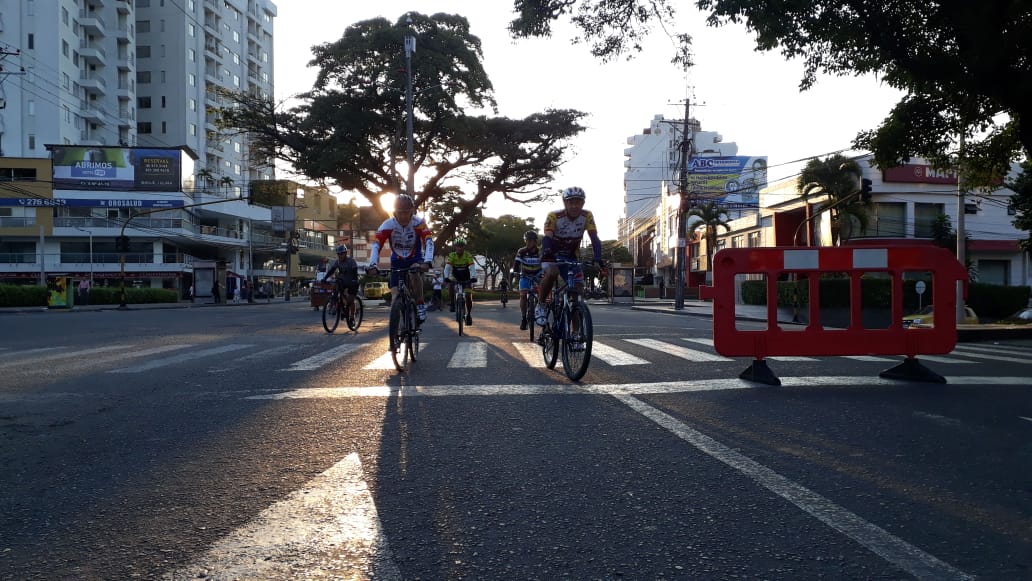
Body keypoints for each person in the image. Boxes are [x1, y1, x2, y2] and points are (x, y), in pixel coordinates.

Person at [534, 187, 605, 334]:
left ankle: (576, 334)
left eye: (578, 202)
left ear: (583, 203)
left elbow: (594, 238)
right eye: (571, 202)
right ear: (565, 203)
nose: (574, 206)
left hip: (571, 256)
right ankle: (541, 304)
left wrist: (598, 258)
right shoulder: (554, 216)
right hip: (551, 253)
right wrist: (547, 252)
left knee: (577, 293)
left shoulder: (587, 216)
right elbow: (547, 237)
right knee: (552, 272)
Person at [367, 194, 434, 322]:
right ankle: (396, 328)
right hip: (397, 260)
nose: (403, 216)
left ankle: (420, 304)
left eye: (406, 212)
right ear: (394, 212)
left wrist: (428, 261)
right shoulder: (387, 225)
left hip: (414, 257)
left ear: (412, 211)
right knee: (395, 295)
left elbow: (429, 241)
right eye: (400, 213)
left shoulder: (419, 223)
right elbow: (376, 245)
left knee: (415, 273)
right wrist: (373, 264)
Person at [514, 230, 542, 330]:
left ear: (535, 241)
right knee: (522, 295)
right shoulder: (521, 251)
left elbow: (545, 263)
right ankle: (524, 318)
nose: (528, 242)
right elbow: (516, 263)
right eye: (527, 240)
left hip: (538, 276)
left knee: (542, 295)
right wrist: (515, 272)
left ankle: (542, 315)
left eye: (531, 240)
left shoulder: (540, 251)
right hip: (525, 276)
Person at [324, 244, 360, 321]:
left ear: (345, 253)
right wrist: (325, 278)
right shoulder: (338, 262)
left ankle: (352, 316)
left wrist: (354, 280)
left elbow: (355, 272)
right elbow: (332, 270)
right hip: (343, 280)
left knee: (350, 301)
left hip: (352, 281)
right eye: (338, 254)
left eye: (342, 253)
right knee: (335, 285)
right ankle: (335, 303)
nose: (340, 255)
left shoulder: (351, 261)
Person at [444, 238, 477, 326]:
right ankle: (452, 304)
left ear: (464, 247)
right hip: (456, 277)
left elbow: (472, 267)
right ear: (455, 247)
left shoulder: (468, 255)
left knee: (468, 296)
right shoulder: (452, 255)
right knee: (451, 284)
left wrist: (474, 277)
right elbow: (447, 267)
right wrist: (446, 277)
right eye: (458, 246)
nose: (460, 248)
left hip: (467, 277)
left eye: (462, 246)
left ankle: (468, 315)